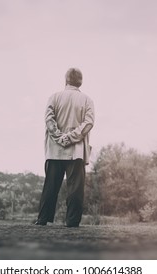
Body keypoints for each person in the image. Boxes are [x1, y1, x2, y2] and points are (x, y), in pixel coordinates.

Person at [35, 68, 95, 227]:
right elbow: (88, 123)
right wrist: (70, 137)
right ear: (81, 81)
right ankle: (72, 221)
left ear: (65, 80)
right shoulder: (87, 100)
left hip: (55, 150)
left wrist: (59, 137)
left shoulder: (54, 97)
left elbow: (49, 121)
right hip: (76, 152)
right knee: (75, 189)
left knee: (50, 186)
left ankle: (42, 219)